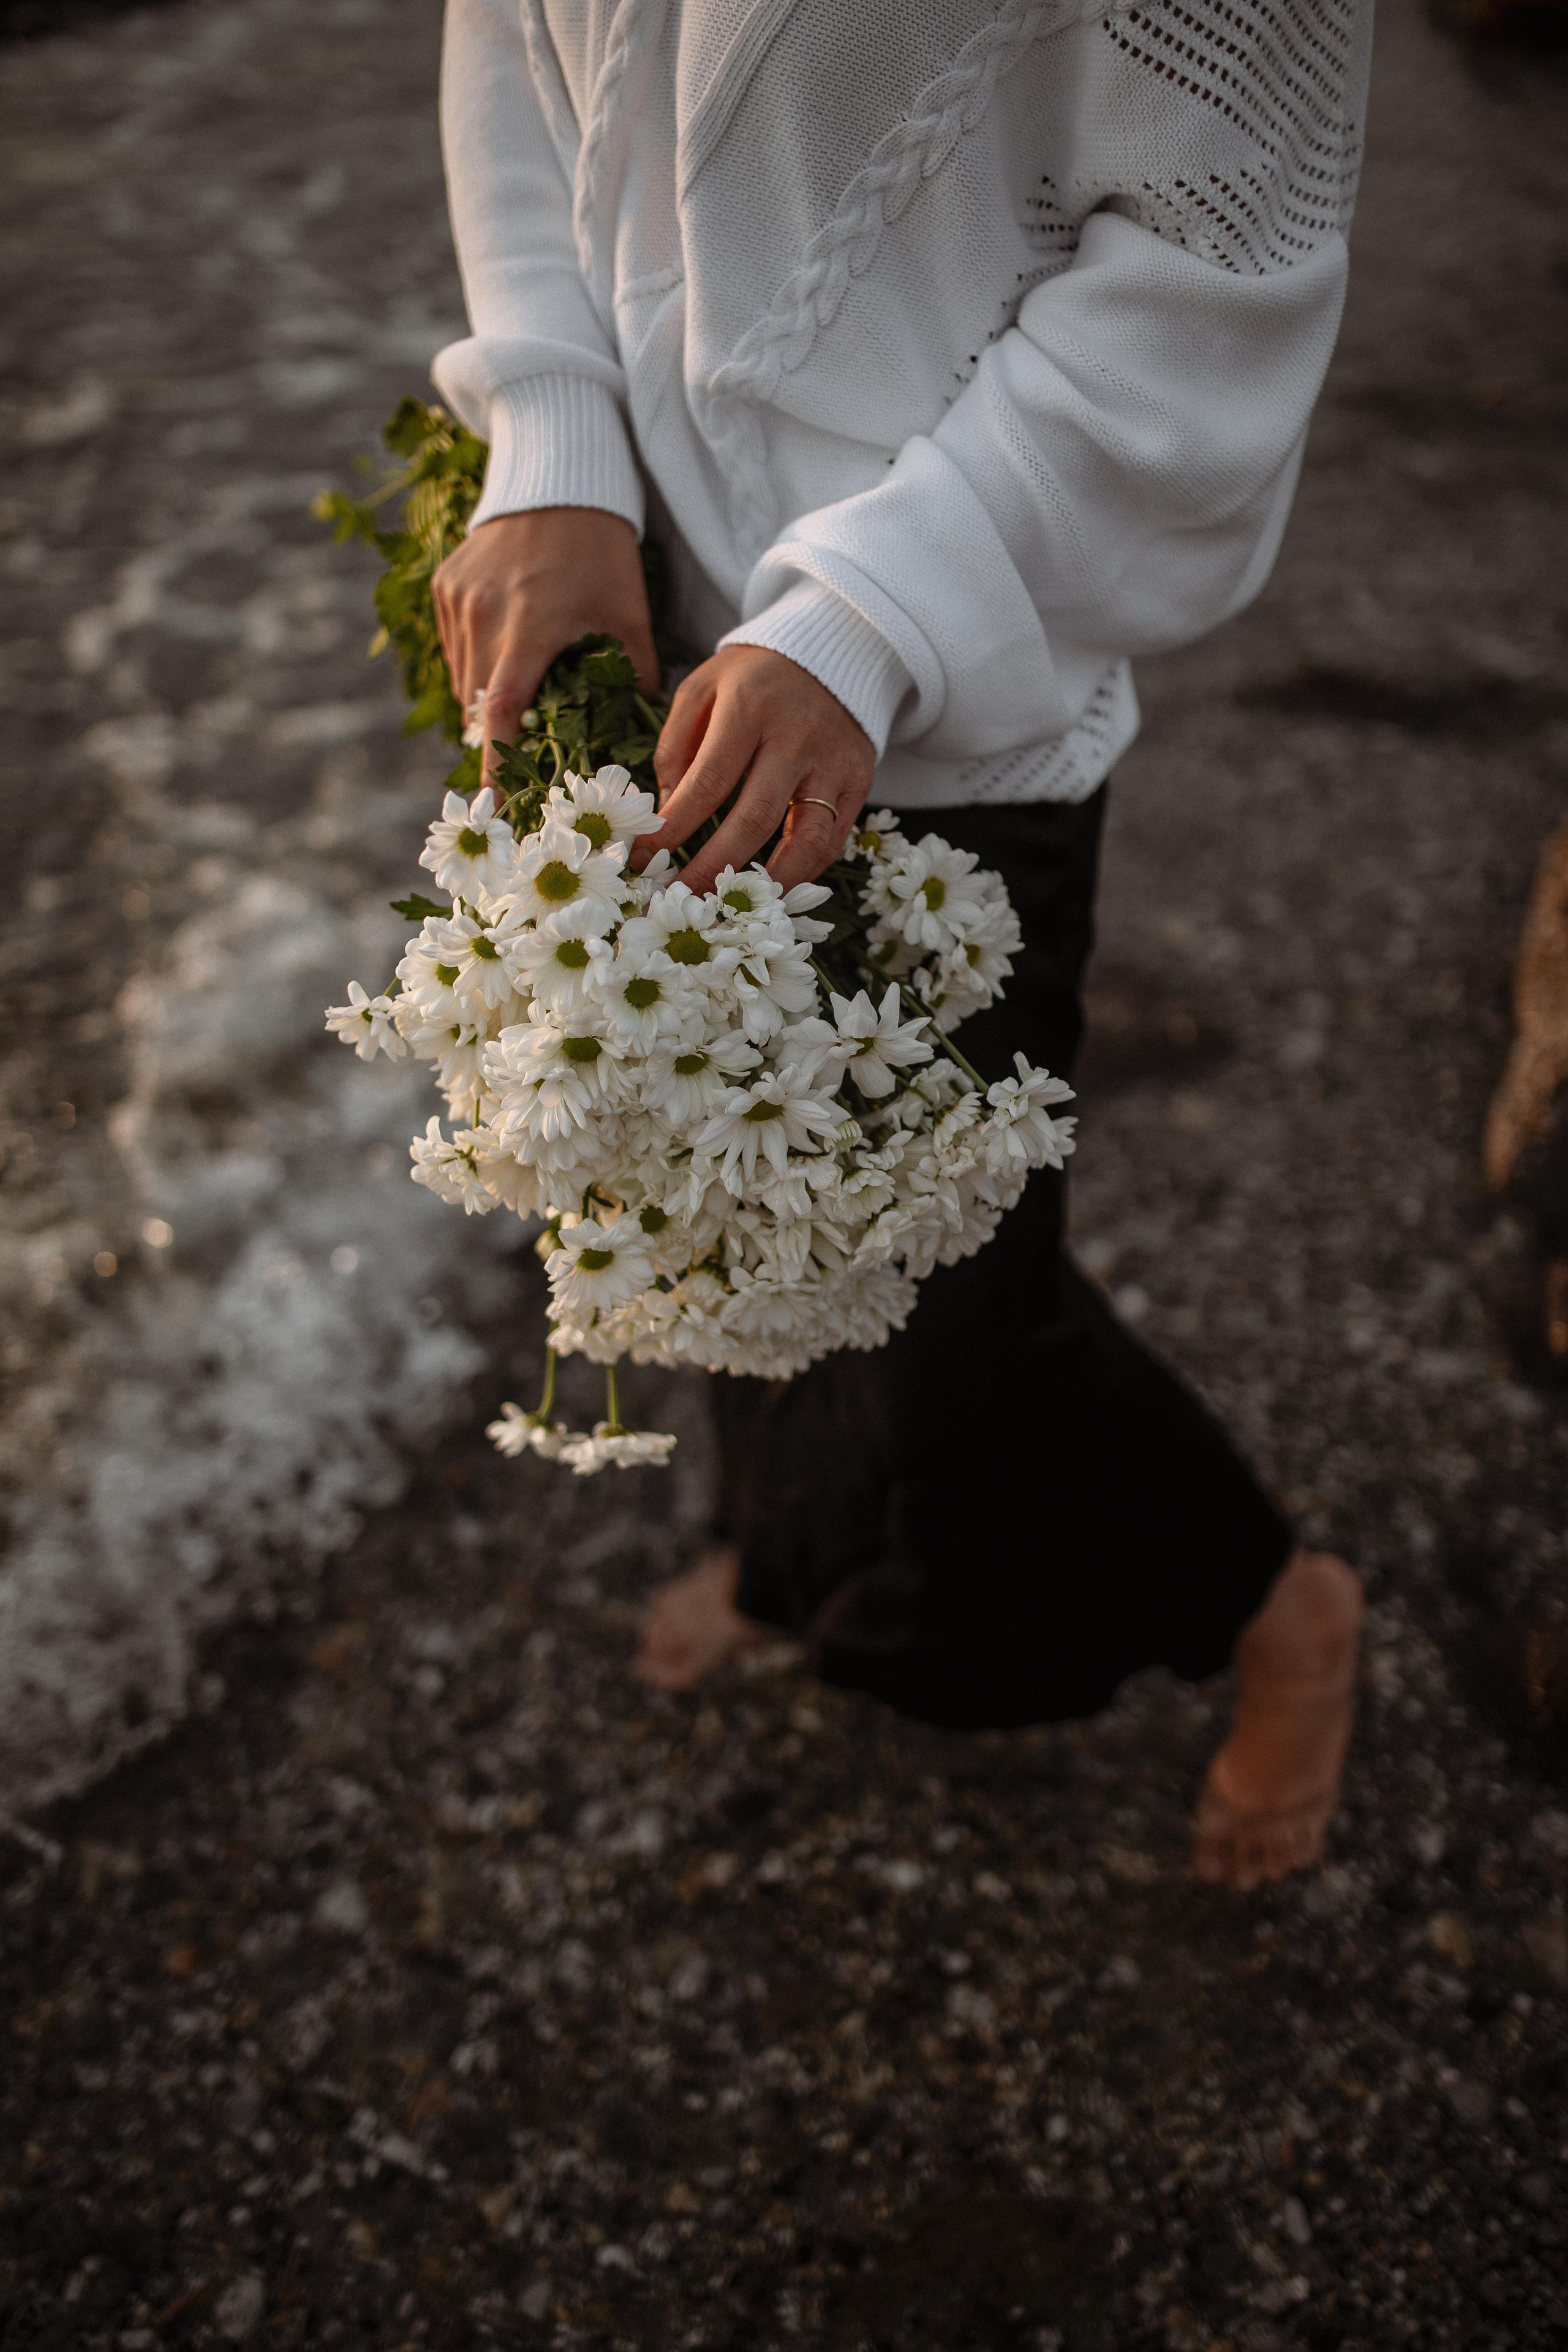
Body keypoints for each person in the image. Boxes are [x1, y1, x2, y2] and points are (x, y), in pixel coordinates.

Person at [430, 0, 1371, 1890]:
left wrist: (868, 613)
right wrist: (550, 445)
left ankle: (1279, 1606)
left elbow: (1227, 255)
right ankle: (789, 1563)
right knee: (702, 1194)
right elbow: (518, 54)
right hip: (642, 617)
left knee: (952, 1315)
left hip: (954, 680)